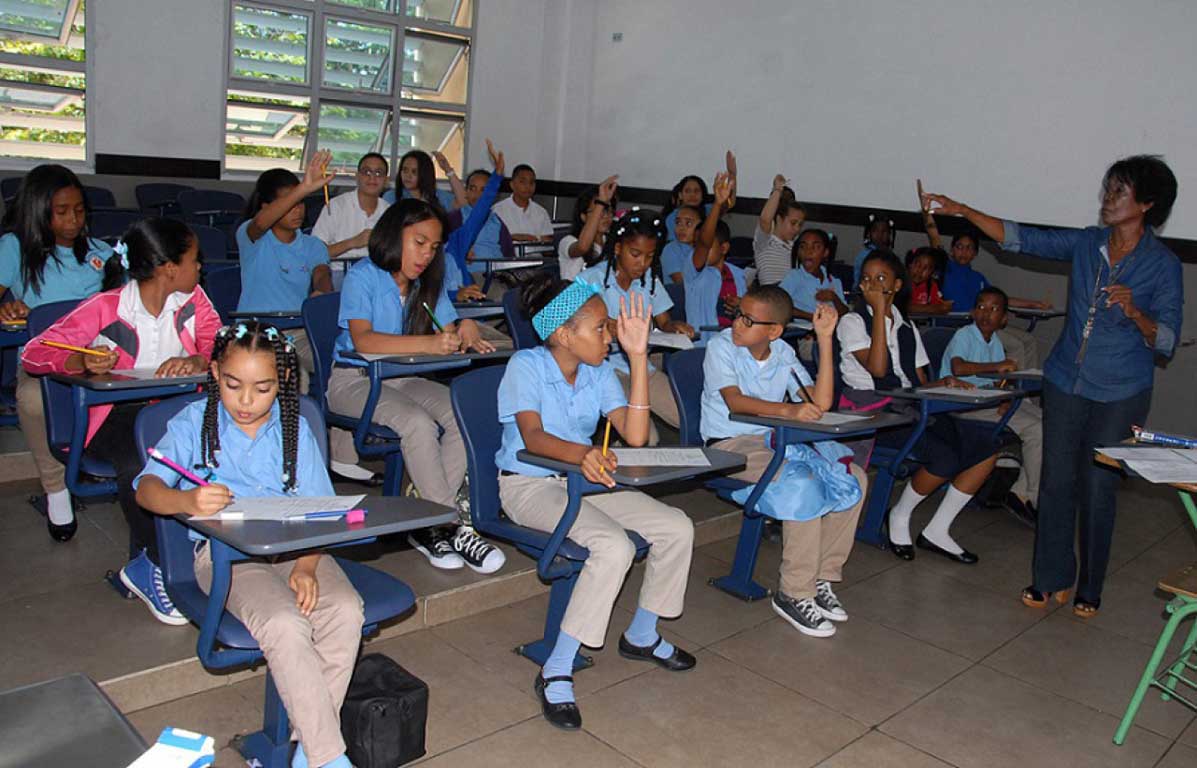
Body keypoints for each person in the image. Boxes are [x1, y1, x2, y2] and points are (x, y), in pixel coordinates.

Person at [921, 154, 1182, 617]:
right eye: (1108, 189)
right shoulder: (1087, 244)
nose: (1107, 199)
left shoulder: (1162, 265)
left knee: (1099, 488)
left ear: (1146, 203)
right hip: (1065, 379)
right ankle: (1050, 578)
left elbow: (1166, 341)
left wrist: (1136, 312)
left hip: (1121, 388)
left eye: (1119, 192)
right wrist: (961, 209)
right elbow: (1022, 237)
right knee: (1057, 482)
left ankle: (1090, 587)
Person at [135, 322, 363, 768]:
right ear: (215, 372)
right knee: (284, 621)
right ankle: (328, 759)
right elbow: (146, 489)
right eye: (232, 385)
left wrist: (308, 565)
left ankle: (310, 753)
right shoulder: (193, 423)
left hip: (298, 546)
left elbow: (324, 512)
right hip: (226, 558)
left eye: (262, 389)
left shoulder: (293, 427)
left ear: (282, 383)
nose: (245, 401)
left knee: (345, 610)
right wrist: (186, 499)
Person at [498, 276, 696, 730]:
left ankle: (642, 634)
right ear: (564, 334)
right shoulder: (525, 367)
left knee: (677, 525)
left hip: (586, 480)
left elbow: (637, 434)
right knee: (614, 546)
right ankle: (556, 668)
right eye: (601, 329)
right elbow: (533, 437)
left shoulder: (599, 371)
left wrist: (640, 356)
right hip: (530, 486)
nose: (609, 337)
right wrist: (582, 454)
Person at [23, 218, 220, 624]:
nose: (200, 266)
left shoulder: (193, 301)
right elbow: (34, 352)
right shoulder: (107, 307)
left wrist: (200, 359)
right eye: (193, 259)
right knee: (143, 462)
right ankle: (153, 563)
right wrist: (81, 359)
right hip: (115, 416)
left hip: (174, 410)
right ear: (169, 268)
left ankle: (200, 547)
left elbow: (222, 345)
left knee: (214, 452)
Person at [327, 193, 505, 574]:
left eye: (434, 247)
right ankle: (447, 523)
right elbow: (365, 341)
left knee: (463, 414)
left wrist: (465, 327)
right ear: (394, 235)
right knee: (418, 424)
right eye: (419, 243)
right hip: (355, 381)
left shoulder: (428, 283)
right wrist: (429, 343)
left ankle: (427, 514)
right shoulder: (364, 276)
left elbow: (449, 327)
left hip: (402, 378)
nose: (426, 255)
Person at [702, 287, 867, 638]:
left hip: (775, 439)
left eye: (748, 320)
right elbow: (736, 403)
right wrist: (788, 411)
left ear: (774, 331)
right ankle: (794, 592)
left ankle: (820, 577)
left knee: (854, 476)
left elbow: (818, 403)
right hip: (729, 446)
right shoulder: (721, 347)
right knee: (802, 482)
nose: (737, 323)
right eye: (737, 315)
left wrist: (824, 340)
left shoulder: (783, 352)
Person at [838, 250, 999, 564]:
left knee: (987, 447)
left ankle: (938, 529)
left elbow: (919, 380)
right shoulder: (852, 322)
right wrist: (881, 312)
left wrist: (945, 384)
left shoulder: (907, 327)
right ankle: (899, 515)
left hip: (911, 408)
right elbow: (879, 370)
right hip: (874, 415)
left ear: (897, 285)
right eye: (866, 278)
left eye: (881, 278)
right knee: (945, 457)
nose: (871, 283)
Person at [237, 155, 374, 484]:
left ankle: (341, 455)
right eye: (290, 203)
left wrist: (321, 292)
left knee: (344, 364)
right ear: (269, 205)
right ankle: (282, 459)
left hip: (300, 330)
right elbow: (260, 222)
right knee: (290, 371)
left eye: (301, 203)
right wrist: (304, 187)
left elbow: (322, 274)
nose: (298, 209)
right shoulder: (253, 237)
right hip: (258, 332)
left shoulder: (311, 244)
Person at [0, 164, 116, 541]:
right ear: (38, 212)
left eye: (80, 210)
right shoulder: (14, 248)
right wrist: (8, 308)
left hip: (100, 357)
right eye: (61, 212)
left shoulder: (100, 252)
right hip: (46, 361)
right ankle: (56, 489)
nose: (73, 221)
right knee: (33, 399)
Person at [577, 208, 692, 432]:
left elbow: (664, 321)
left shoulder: (648, 281)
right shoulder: (590, 279)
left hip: (641, 367)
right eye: (635, 254)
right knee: (645, 435)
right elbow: (566, 326)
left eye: (650, 256)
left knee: (685, 415)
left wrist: (673, 326)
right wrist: (604, 327)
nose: (643, 263)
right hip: (603, 368)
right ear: (618, 248)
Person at [940, 287, 1044, 527]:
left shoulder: (995, 341)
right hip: (963, 404)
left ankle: (1021, 492)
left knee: (1045, 421)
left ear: (1004, 319)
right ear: (973, 312)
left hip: (988, 400)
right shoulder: (965, 335)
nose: (986, 313)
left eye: (994, 309)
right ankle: (1033, 498)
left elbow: (1000, 381)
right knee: (1035, 429)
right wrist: (997, 366)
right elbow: (959, 368)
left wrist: (1006, 396)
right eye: (981, 307)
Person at [939, 230, 1048, 369]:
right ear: (952, 250)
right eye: (959, 247)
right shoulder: (945, 270)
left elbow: (1000, 300)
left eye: (969, 248)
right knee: (1017, 345)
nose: (964, 252)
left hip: (987, 322)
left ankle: (1028, 385)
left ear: (975, 253)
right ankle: (1013, 384)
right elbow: (935, 239)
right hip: (965, 325)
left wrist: (1034, 304)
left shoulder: (977, 277)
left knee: (1029, 340)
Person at [685, 172, 746, 337]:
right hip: (705, 344)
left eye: (706, 246)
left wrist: (742, 307)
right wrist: (717, 205)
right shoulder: (695, 271)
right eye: (696, 245)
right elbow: (705, 242)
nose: (699, 249)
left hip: (735, 342)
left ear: (724, 248)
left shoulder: (739, 275)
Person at [311, 152, 390, 261]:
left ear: (386, 180)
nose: (372, 177)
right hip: (338, 271)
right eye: (367, 172)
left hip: (374, 273)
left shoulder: (389, 211)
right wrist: (352, 242)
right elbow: (314, 253)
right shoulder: (336, 206)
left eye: (378, 173)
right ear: (357, 177)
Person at [779, 229, 849, 319]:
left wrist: (834, 298)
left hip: (830, 328)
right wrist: (812, 317)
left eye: (816, 247)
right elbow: (778, 305)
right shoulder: (794, 277)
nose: (808, 251)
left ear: (825, 253)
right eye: (803, 247)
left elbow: (845, 313)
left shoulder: (834, 281)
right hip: (801, 329)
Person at [558, 177, 617, 281]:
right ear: (583, 217)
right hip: (575, 295)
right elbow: (583, 247)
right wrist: (601, 202)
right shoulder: (568, 241)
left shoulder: (612, 242)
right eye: (599, 212)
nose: (606, 216)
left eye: (609, 211)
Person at [753, 174, 806, 286]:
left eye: (800, 224)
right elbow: (765, 220)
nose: (797, 229)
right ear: (779, 218)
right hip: (772, 297)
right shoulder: (765, 242)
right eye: (793, 223)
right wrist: (777, 190)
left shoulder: (797, 245)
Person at [381, 149, 462, 210]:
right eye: (405, 170)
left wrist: (448, 170)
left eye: (414, 172)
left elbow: (463, 203)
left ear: (425, 174)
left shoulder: (438, 196)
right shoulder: (391, 196)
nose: (408, 176)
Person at [493, 164, 553, 244]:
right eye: (522, 182)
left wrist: (534, 238)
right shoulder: (497, 210)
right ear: (512, 185)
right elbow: (491, 239)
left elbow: (548, 241)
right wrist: (512, 237)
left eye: (531, 182)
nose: (528, 186)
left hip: (536, 256)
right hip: (508, 256)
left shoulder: (541, 212)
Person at [660, 204, 701, 284]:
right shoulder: (671, 249)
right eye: (678, 223)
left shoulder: (705, 249)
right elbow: (682, 282)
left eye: (688, 223)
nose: (681, 228)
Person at [905, 246, 953, 315]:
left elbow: (940, 307)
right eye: (917, 265)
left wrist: (943, 306)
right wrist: (931, 308)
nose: (920, 271)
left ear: (932, 272)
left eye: (926, 268)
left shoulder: (931, 285)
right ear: (909, 264)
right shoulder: (900, 282)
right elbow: (904, 307)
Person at [852, 214, 893, 288]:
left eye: (884, 231)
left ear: (889, 235)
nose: (880, 235)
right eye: (875, 231)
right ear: (869, 234)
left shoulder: (891, 256)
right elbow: (859, 280)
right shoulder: (864, 255)